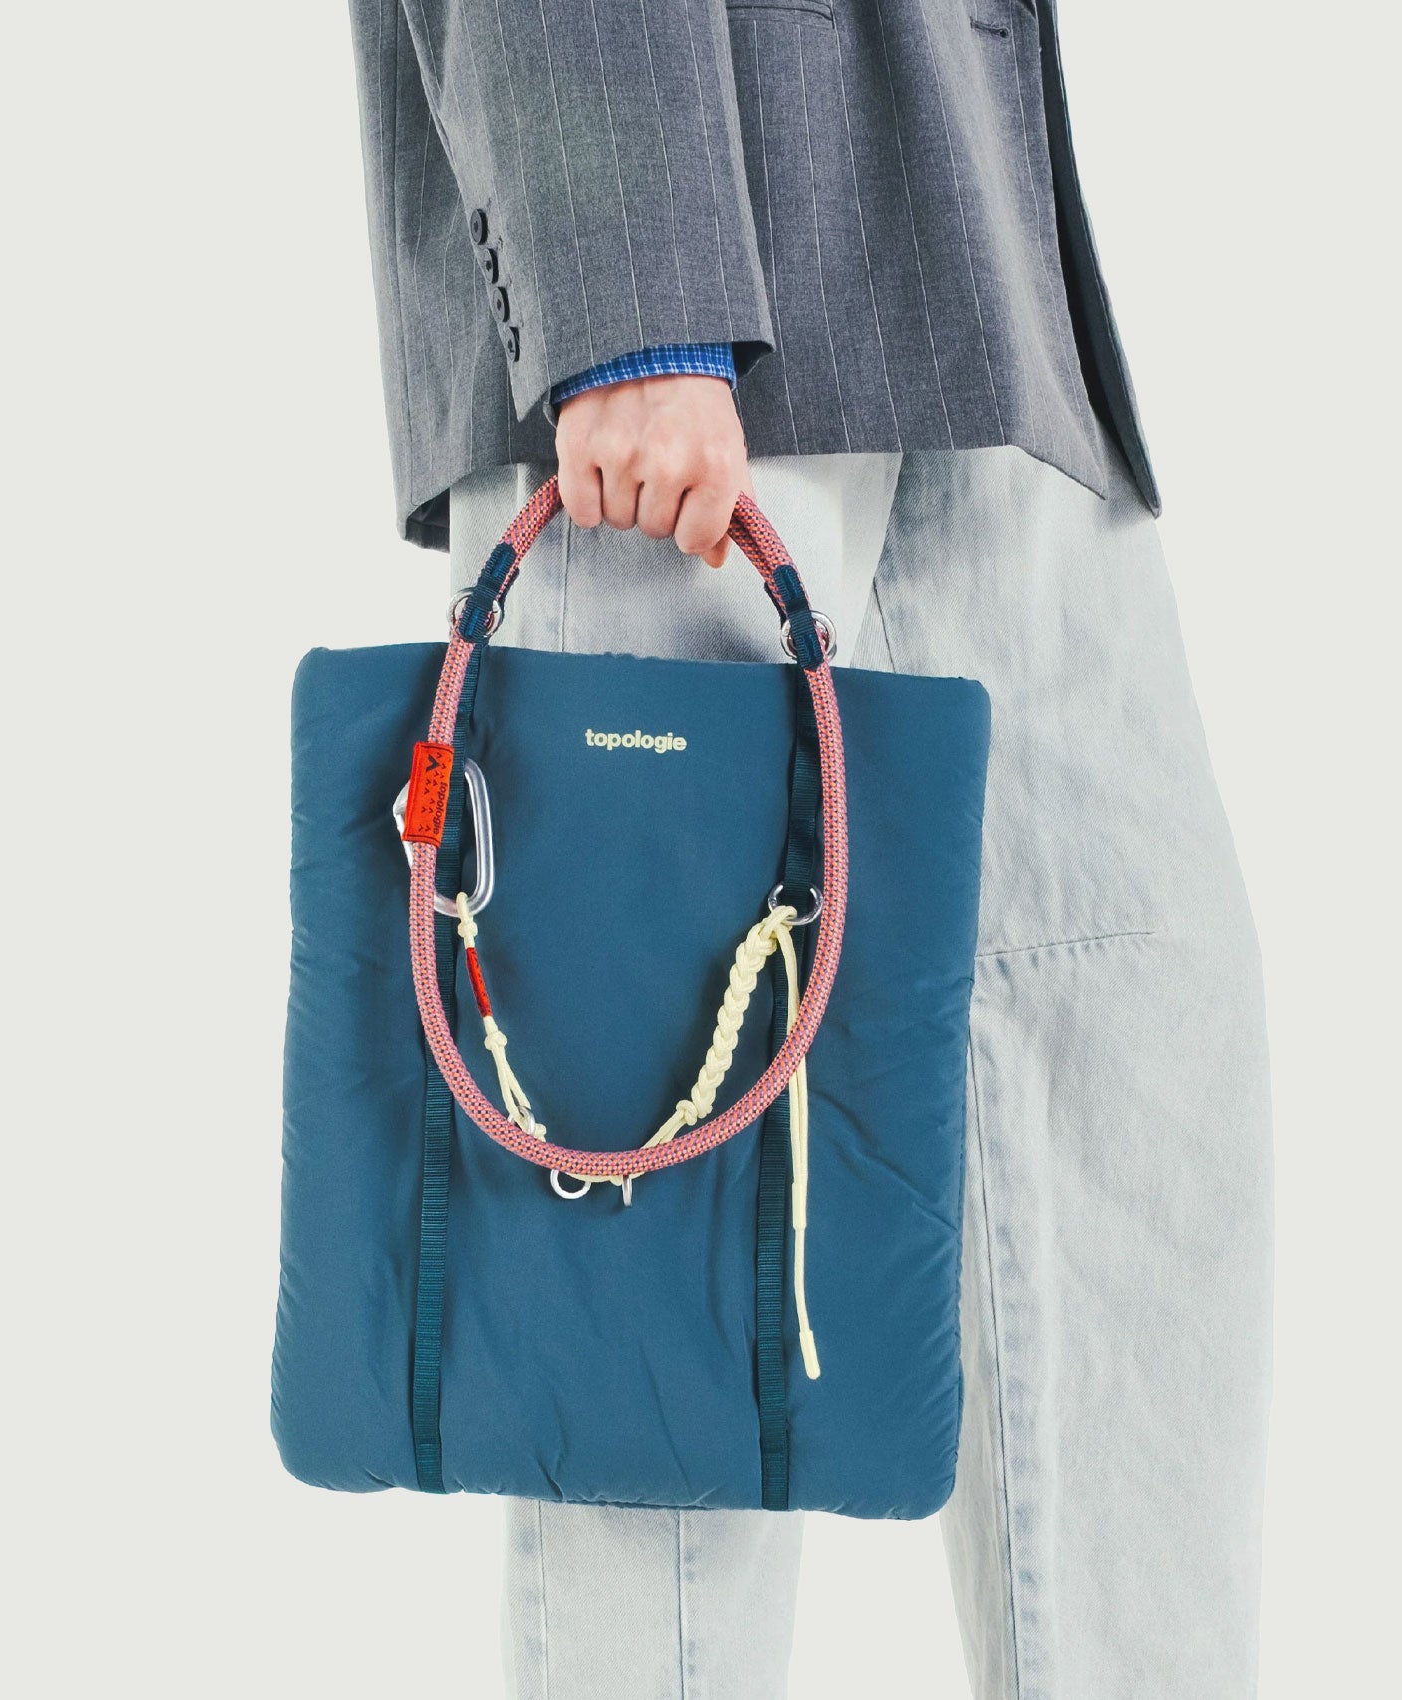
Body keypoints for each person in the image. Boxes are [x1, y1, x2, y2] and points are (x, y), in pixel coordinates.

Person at [343, 3, 1272, 1694]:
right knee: (657, 1300)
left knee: (1131, 1120)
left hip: (992, 295)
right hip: (694, 302)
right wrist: (623, 282)